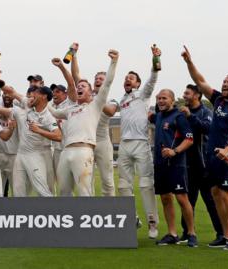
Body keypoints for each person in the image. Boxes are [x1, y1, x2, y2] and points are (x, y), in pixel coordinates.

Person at [182, 45, 228, 251]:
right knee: (215, 193)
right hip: (213, 157)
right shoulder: (219, 100)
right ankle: (226, 235)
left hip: (227, 157)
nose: (225, 84)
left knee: (226, 194)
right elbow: (200, 81)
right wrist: (189, 62)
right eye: (223, 81)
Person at [48, 49, 118, 196]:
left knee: (85, 190)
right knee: (63, 191)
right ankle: (68, 218)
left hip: (85, 148)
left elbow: (108, 83)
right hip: (66, 151)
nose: (79, 87)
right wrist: (39, 99)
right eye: (78, 86)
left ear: (91, 92)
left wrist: (113, 62)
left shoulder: (96, 104)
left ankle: (102, 214)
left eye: (83, 86)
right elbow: (53, 112)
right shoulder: (71, 109)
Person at [116, 45, 161, 239]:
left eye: (131, 78)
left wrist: (155, 59)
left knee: (145, 184)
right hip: (124, 145)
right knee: (123, 186)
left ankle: (152, 222)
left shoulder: (143, 95)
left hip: (141, 143)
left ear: (138, 84)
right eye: (125, 78)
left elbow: (152, 78)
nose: (127, 79)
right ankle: (132, 218)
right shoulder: (121, 100)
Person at [0, 85, 61, 197]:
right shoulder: (28, 105)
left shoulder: (48, 117)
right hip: (20, 155)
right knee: (18, 191)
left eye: (36, 93)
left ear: (44, 97)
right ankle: (21, 213)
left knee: (41, 189)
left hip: (35, 154)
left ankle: (51, 212)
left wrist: (39, 130)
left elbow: (58, 136)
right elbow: (12, 91)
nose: (31, 96)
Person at [150, 89, 197, 247]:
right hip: (160, 165)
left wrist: (174, 151)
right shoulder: (157, 117)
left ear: (172, 100)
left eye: (164, 98)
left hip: (176, 164)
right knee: (165, 199)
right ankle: (172, 234)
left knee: (182, 199)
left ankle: (191, 233)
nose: (160, 101)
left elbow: (189, 139)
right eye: (158, 98)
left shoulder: (179, 116)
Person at [70, 42, 118, 196]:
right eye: (96, 78)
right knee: (86, 181)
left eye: (102, 78)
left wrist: (96, 100)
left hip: (102, 141)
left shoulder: (110, 99)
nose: (98, 80)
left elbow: (110, 111)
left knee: (107, 180)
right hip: (86, 142)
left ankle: (110, 211)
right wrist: (74, 54)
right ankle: (91, 212)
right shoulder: (87, 95)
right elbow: (76, 75)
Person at [178, 84, 223, 245]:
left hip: (203, 165)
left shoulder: (206, 112)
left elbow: (207, 128)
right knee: (187, 200)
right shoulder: (181, 113)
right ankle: (187, 232)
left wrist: (190, 116)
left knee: (210, 201)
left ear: (197, 95)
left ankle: (221, 234)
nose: (184, 95)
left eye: (187, 93)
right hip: (186, 164)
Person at [0, 92, 19, 197]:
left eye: (9, 94)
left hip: (14, 155)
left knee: (16, 190)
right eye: (5, 94)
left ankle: (17, 212)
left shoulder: (17, 112)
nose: (7, 96)